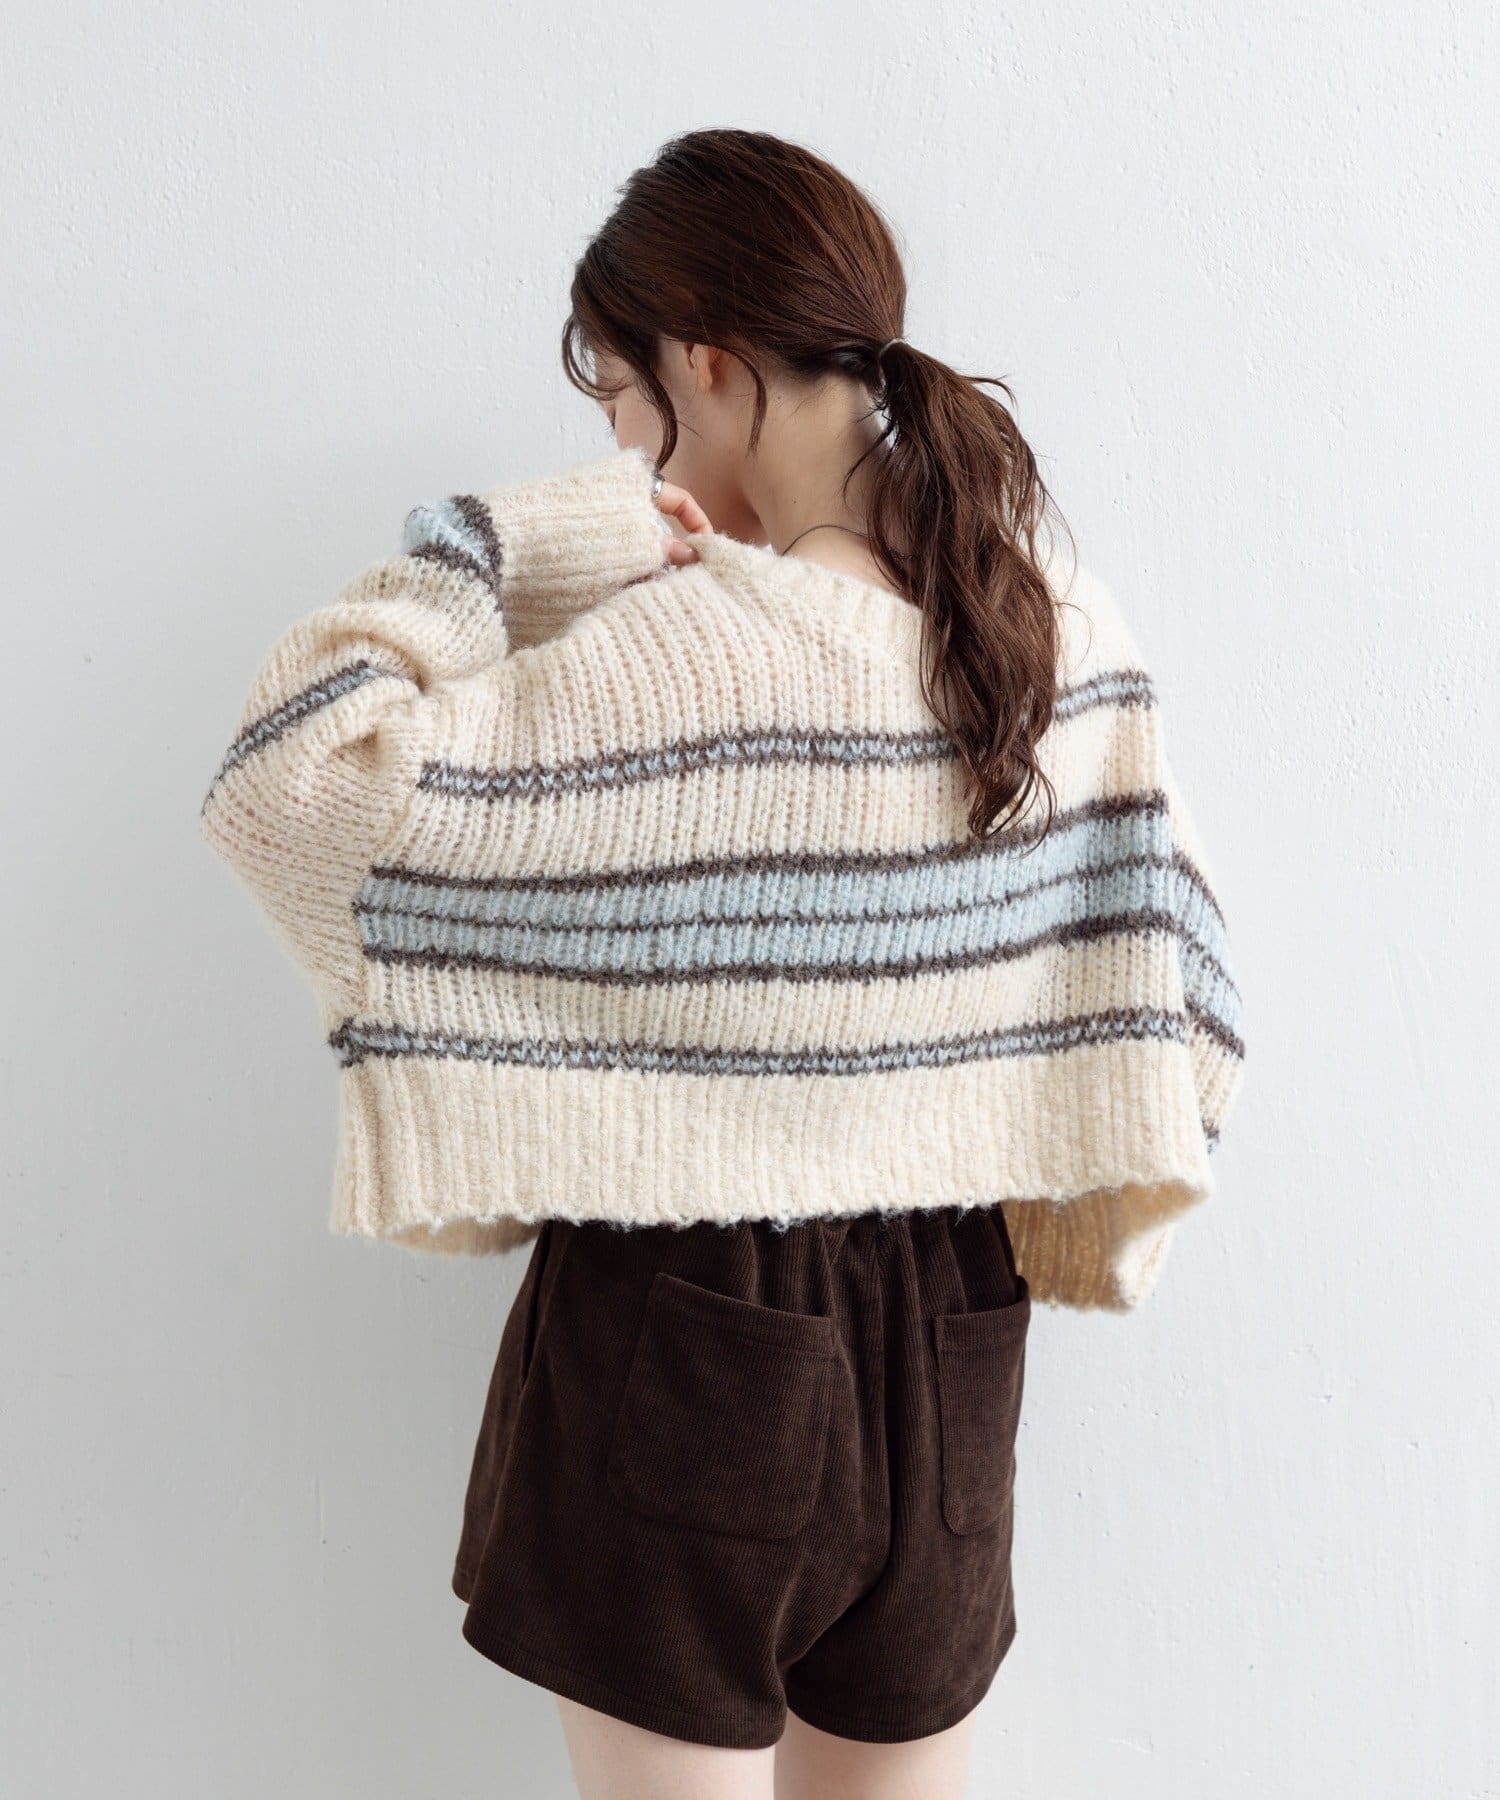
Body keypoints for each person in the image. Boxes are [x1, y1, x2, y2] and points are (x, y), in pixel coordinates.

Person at [199, 128, 1245, 1799]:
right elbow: (1187, 1005)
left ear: (706, 361)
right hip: (954, 1344)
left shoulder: (679, 651)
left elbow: (290, 785)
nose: (621, 453)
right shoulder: (1053, 627)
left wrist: (507, 542)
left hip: (685, 1339)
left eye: (620, 401)